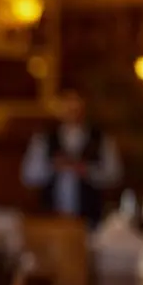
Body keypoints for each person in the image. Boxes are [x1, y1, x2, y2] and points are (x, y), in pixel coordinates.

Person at [20, 89, 122, 228]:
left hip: (90, 220)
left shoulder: (102, 139)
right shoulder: (44, 139)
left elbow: (114, 176)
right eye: (68, 105)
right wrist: (53, 166)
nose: (72, 110)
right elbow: (29, 176)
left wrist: (87, 171)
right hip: (51, 218)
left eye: (76, 105)